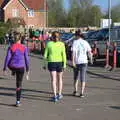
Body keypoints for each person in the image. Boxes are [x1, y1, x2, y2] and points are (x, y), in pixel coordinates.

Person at [3, 32, 29, 107]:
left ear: (14, 39)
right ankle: (18, 101)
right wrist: (28, 70)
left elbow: (7, 58)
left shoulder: (11, 47)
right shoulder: (24, 47)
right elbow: (26, 59)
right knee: (19, 84)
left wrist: (5, 68)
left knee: (10, 64)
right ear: (20, 39)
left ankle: (13, 71)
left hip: (12, 66)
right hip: (21, 68)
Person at [44, 31, 66, 102]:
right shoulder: (62, 44)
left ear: (52, 37)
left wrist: (44, 64)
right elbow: (64, 55)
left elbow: (45, 55)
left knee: (53, 80)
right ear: (59, 37)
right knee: (60, 79)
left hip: (51, 62)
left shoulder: (49, 44)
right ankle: (59, 94)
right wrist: (64, 64)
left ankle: (55, 96)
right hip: (60, 62)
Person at [72, 30, 93, 98]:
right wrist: (91, 59)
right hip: (84, 61)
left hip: (77, 61)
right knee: (82, 77)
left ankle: (75, 91)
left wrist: (73, 61)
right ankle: (82, 93)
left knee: (76, 77)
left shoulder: (75, 42)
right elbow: (89, 52)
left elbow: (73, 53)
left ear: (77, 35)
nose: (75, 36)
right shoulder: (86, 42)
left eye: (75, 35)